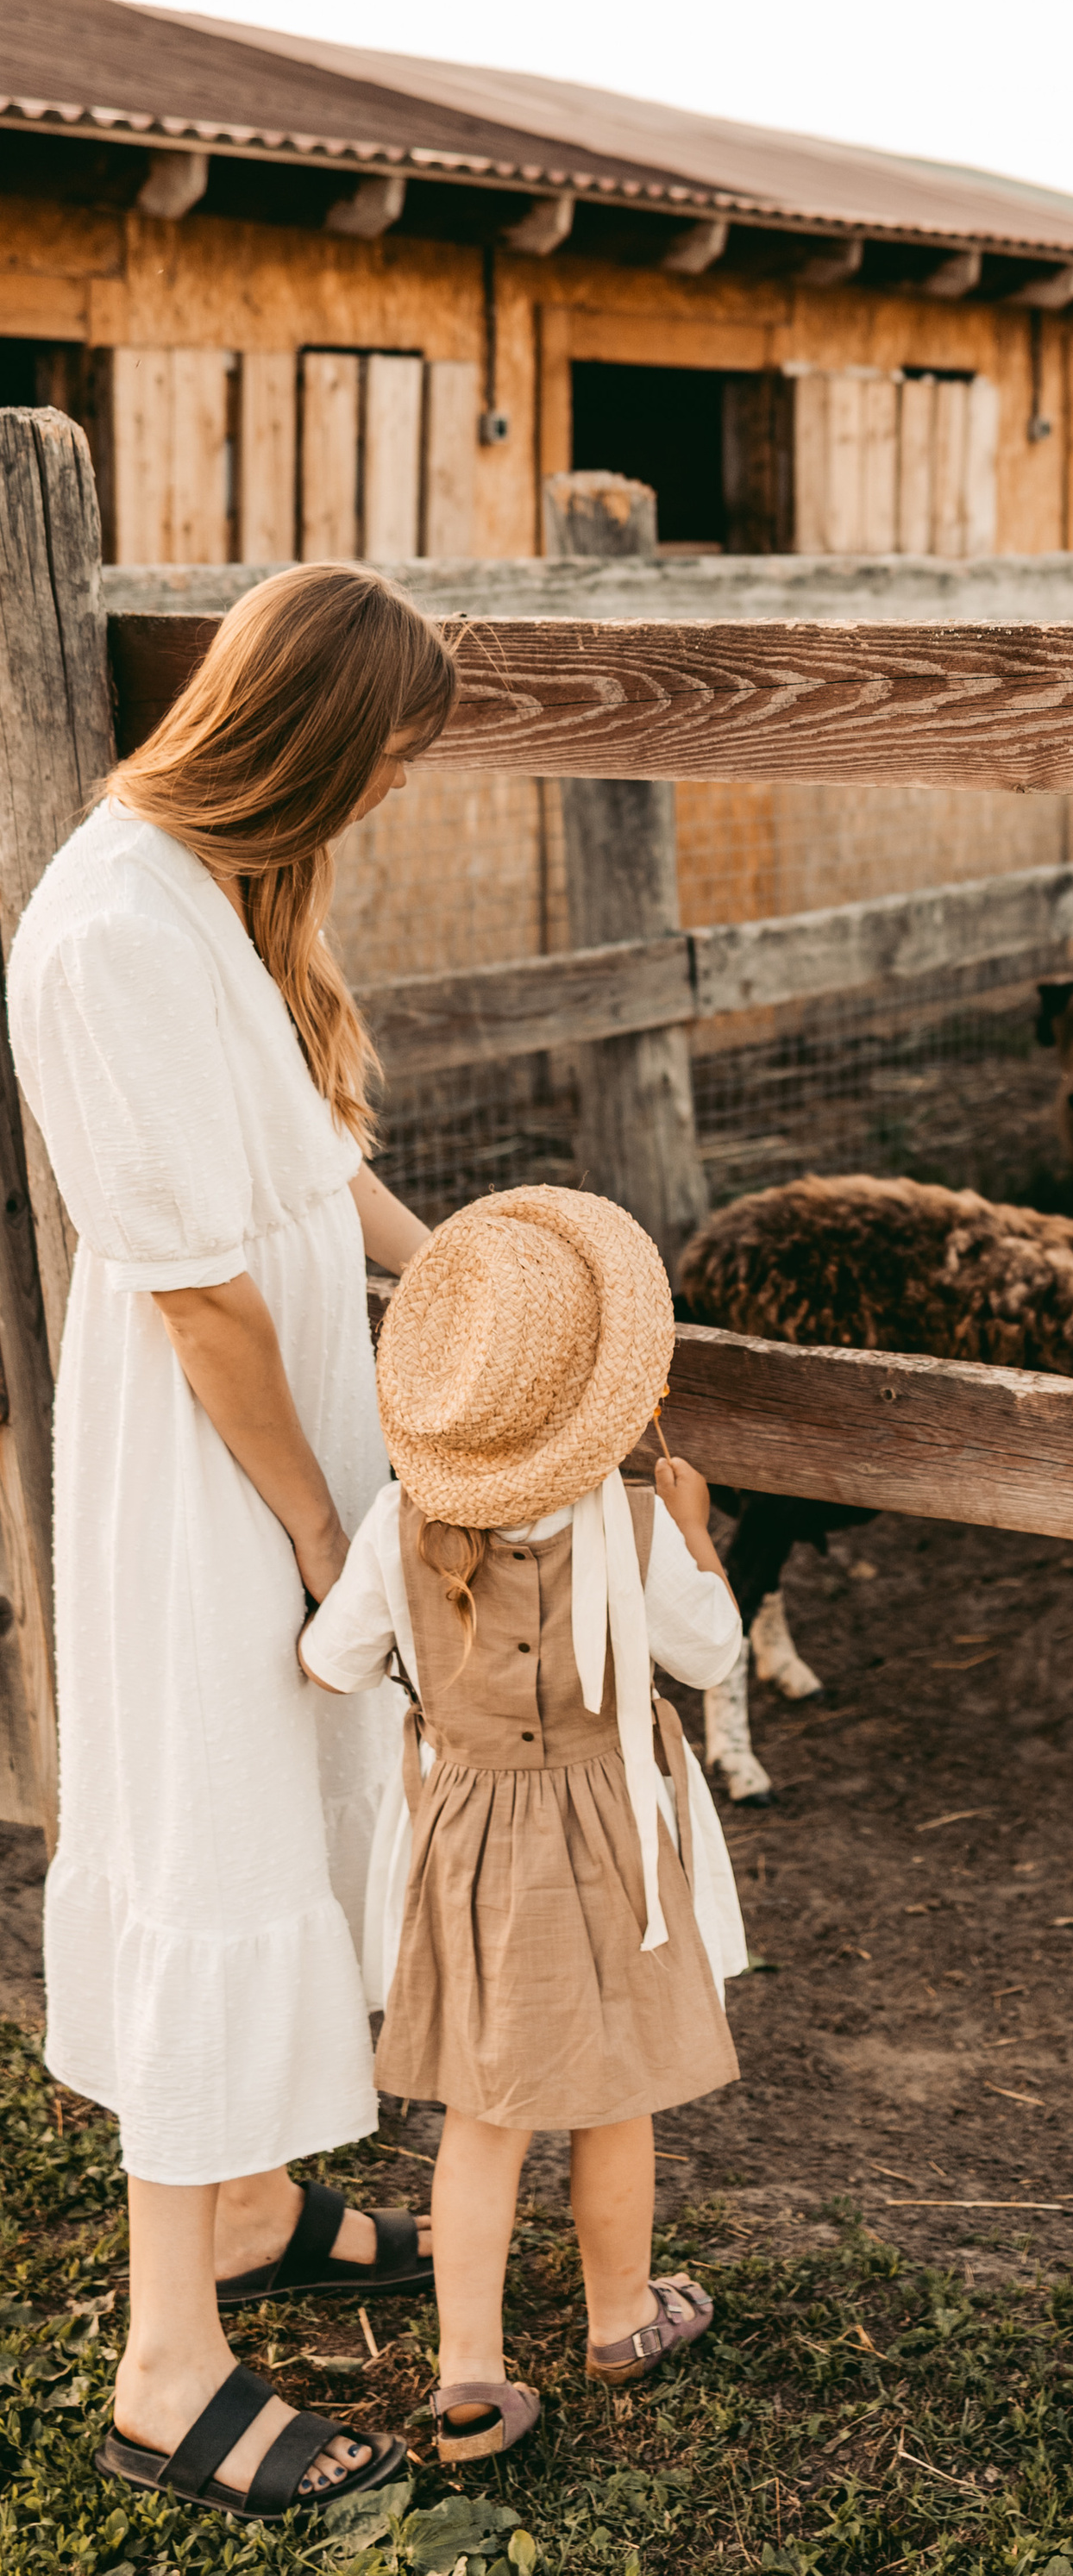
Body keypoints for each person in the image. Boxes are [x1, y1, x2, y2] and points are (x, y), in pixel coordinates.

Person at [7, 562, 456, 2519]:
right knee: (211, 1829)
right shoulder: (110, 923)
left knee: (280, 1807)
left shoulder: (203, 890)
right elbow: (200, 1296)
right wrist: (314, 1527)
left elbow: (303, 1164)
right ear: (306, 740)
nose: (376, 807)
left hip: (286, 1422)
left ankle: (257, 2202)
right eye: (378, 768)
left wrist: (463, 1279)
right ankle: (166, 2365)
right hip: (217, 1455)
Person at [301, 1182, 746, 2469]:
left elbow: (333, 1665)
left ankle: (467, 2376)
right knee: (617, 2098)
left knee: (483, 2115)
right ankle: (620, 2315)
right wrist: (701, 1536)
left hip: (468, 1845)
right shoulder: (640, 1523)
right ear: (593, 1396)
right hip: (612, 1844)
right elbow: (710, 1660)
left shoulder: (400, 1524)